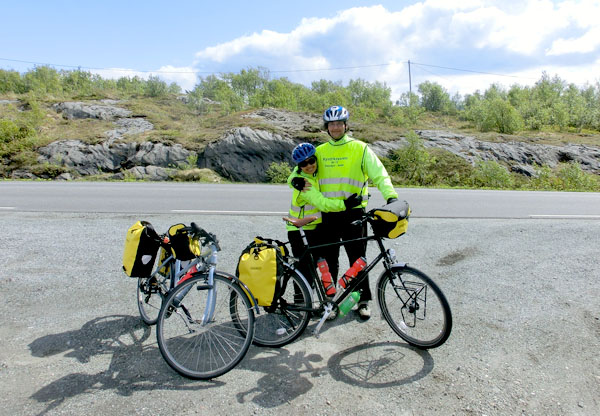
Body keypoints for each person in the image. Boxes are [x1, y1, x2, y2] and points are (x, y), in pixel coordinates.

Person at [315, 105, 398, 320]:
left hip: (354, 213)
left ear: (345, 125)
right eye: (331, 124)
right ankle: (330, 301)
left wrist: (390, 196)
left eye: (339, 123)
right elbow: (303, 173)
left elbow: (379, 174)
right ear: (327, 127)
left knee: (357, 259)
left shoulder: (360, 148)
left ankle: (362, 300)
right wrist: (294, 180)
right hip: (329, 213)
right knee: (330, 260)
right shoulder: (320, 151)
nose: (335, 127)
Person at [286, 143, 362, 288]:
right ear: (299, 166)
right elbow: (322, 204)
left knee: (324, 264)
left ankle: (325, 300)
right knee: (305, 270)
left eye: (311, 161)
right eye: (303, 163)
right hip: (299, 230)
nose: (309, 166)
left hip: (315, 227)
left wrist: (292, 179)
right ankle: (301, 305)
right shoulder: (305, 183)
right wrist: (345, 205)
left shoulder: (315, 175)